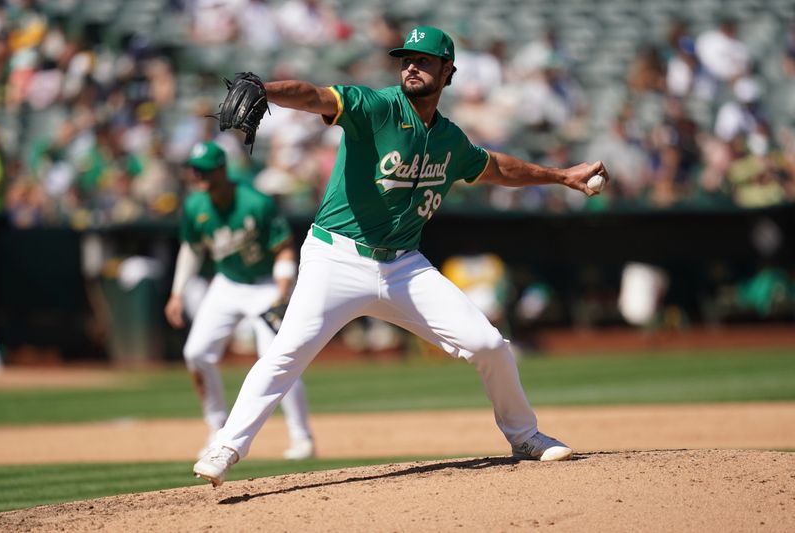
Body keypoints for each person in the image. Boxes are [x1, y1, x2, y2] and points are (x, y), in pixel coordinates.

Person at [194, 25, 609, 486]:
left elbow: (495, 167)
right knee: (285, 353)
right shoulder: (374, 107)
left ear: (448, 71)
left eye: (424, 59)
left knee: (490, 345)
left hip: (403, 266)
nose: (411, 65)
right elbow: (315, 96)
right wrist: (264, 89)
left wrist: (559, 176)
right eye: (406, 58)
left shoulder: (448, 138)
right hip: (336, 257)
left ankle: (525, 436)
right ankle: (226, 447)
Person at [165, 141, 315, 460]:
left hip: (264, 285)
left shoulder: (255, 202)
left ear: (222, 169)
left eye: (204, 170)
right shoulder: (195, 206)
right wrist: (178, 291)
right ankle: (216, 427)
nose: (199, 176)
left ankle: (302, 437)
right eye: (194, 170)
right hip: (227, 284)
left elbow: (285, 247)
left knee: (278, 360)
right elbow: (192, 249)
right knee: (196, 353)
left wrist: (282, 288)